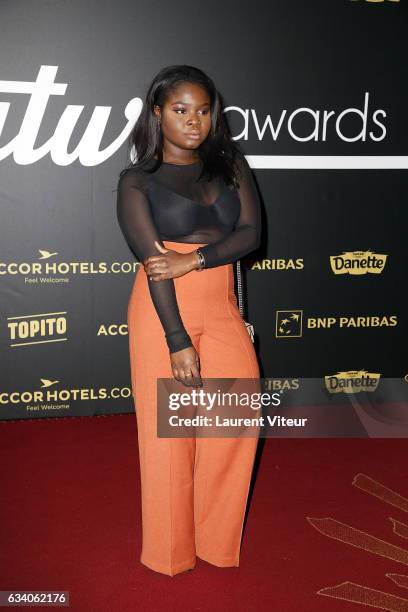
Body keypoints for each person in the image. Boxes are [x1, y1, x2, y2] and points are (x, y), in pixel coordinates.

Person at [116, 65, 262, 577]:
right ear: (157, 112)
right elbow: (156, 266)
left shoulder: (230, 165)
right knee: (168, 440)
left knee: (233, 424)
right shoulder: (138, 180)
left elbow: (250, 235)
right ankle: (169, 553)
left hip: (219, 304)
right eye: (180, 110)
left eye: (203, 110)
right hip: (162, 312)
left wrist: (196, 260)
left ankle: (217, 543)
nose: (194, 122)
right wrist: (177, 340)